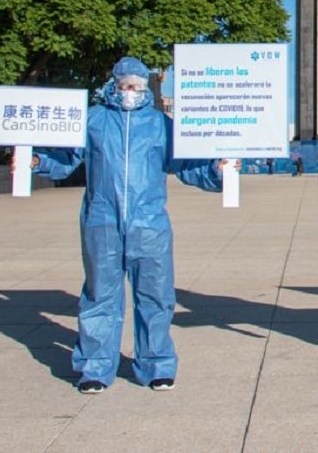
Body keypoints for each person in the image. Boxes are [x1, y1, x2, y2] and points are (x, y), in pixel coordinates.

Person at [27, 57, 233, 394]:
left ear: (146, 87)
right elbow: (65, 160)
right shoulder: (93, 121)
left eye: (136, 85)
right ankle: (95, 367)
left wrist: (218, 172)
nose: (130, 91)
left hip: (149, 223)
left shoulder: (161, 125)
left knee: (155, 295)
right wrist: (35, 162)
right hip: (102, 220)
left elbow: (187, 165)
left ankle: (156, 365)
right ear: (113, 84)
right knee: (99, 295)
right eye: (124, 85)